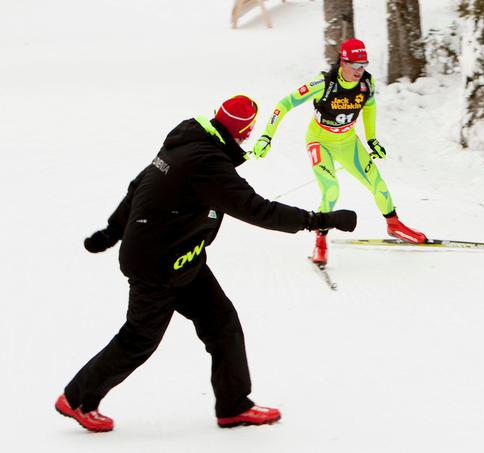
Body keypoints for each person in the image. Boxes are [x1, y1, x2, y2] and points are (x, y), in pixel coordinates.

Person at [54, 95, 357, 432]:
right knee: (139, 339)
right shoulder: (207, 164)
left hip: (185, 259)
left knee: (223, 325)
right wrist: (320, 220)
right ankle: (77, 398)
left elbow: (138, 185)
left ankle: (233, 406)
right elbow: (259, 210)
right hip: (157, 263)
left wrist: (112, 232)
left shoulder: (190, 139)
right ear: (243, 132)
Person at [250, 38, 427, 266]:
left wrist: (372, 140)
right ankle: (320, 239)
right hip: (319, 141)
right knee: (331, 190)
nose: (359, 70)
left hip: (347, 142)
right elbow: (284, 104)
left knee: (378, 184)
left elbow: (370, 107)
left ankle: (394, 224)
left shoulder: (366, 83)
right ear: (342, 62)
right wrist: (267, 136)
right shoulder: (323, 83)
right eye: (354, 65)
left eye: (363, 65)